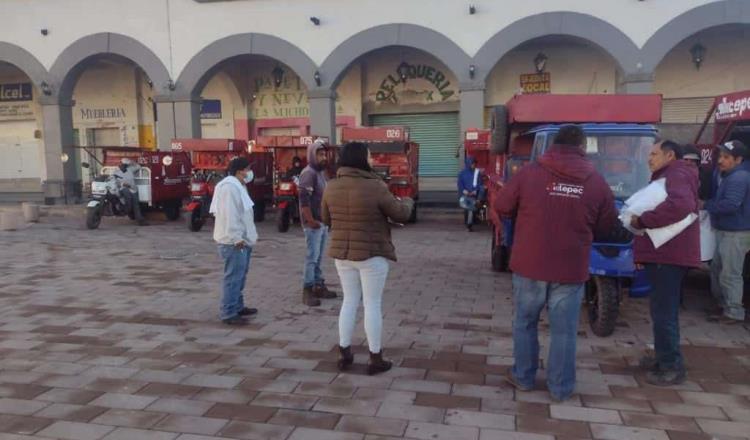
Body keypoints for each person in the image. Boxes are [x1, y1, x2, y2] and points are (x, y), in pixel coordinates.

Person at [494, 125, 620, 401]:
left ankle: (524, 377)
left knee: (525, 322)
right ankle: (560, 387)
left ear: (553, 145)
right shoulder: (596, 181)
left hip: (530, 264)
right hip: (570, 268)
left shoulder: (529, 173)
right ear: (583, 147)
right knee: (564, 330)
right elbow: (607, 224)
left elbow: (502, 205)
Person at [321, 142, 413, 375]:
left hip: (342, 254)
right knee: (372, 304)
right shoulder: (376, 186)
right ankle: (375, 358)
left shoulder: (331, 186)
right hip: (372, 254)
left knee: (349, 301)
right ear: (362, 159)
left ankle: (344, 352)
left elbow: (326, 218)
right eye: (370, 156)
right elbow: (399, 213)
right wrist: (409, 202)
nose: (372, 159)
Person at [631, 140, 700, 386]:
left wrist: (644, 220)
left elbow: (681, 205)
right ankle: (664, 358)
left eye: (654, 153)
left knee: (664, 312)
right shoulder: (672, 174)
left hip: (668, 254)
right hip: (666, 254)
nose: (649, 158)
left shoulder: (677, 173)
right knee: (661, 310)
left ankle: (671, 366)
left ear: (670, 155)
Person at [209, 157, 259, 326]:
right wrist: (237, 237)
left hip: (241, 240)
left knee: (240, 276)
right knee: (233, 277)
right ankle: (229, 312)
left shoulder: (238, 186)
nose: (249, 173)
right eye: (247, 169)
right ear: (240, 171)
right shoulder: (230, 188)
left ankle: (237, 305)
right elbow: (230, 215)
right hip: (234, 242)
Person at [705, 140, 750, 324]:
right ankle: (724, 305)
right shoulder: (729, 175)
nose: (720, 160)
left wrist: (707, 206)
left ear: (738, 160)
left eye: (726, 157)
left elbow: (730, 205)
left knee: (730, 273)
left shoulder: (738, 178)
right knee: (718, 269)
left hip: (736, 233)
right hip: (727, 230)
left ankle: (734, 312)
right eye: (720, 156)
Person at [299, 139, 336, 306]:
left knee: (318, 257)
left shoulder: (321, 173)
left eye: (324, 154)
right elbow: (303, 200)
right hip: (313, 224)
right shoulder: (309, 173)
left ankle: (318, 285)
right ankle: (307, 291)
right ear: (312, 155)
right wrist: (310, 220)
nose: (323, 157)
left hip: (322, 223)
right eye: (320, 154)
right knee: (311, 257)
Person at [114, 158, 146, 225]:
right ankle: (124, 211)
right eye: (122, 164)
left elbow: (138, 167)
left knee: (136, 205)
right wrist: (123, 184)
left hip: (133, 189)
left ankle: (140, 220)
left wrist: (131, 162)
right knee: (129, 201)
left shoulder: (130, 169)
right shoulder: (116, 172)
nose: (123, 166)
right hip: (124, 189)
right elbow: (115, 182)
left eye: (125, 165)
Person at [458, 156, 484, 231]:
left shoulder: (477, 172)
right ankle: (468, 223)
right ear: (468, 164)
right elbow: (460, 184)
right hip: (465, 195)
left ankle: (469, 224)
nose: (474, 165)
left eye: (474, 164)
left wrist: (475, 191)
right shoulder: (462, 173)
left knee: (471, 209)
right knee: (467, 209)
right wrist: (464, 191)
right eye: (472, 164)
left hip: (473, 194)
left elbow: (480, 183)